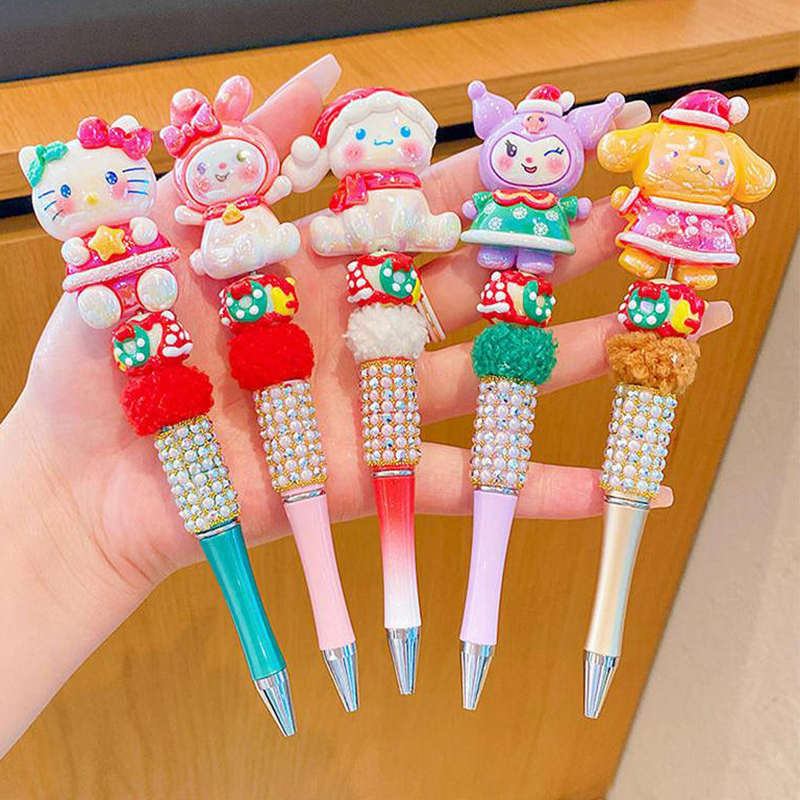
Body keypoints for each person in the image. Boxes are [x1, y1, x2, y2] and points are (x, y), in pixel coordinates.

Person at [0, 56, 731, 758]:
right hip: (209, 355)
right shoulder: (155, 243)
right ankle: (371, 636)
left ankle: (432, 629)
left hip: (381, 318)